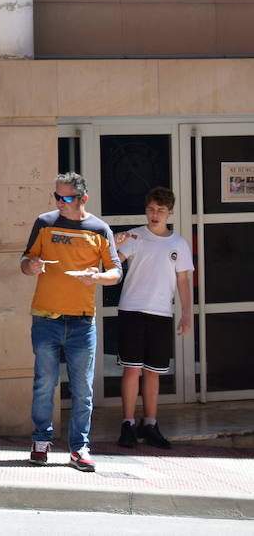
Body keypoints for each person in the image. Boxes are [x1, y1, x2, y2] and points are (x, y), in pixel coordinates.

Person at [20, 171, 121, 472]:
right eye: (56, 196)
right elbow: (24, 261)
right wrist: (32, 266)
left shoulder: (100, 230)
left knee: (83, 389)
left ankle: (79, 448)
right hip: (46, 319)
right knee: (44, 383)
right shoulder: (45, 223)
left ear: (83, 199)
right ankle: (41, 441)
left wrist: (97, 277)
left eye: (65, 198)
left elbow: (116, 273)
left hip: (82, 322)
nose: (59, 203)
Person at [114, 186, 193, 451]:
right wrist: (113, 248)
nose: (155, 215)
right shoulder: (135, 236)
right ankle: (127, 424)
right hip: (132, 309)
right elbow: (113, 264)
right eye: (151, 209)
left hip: (161, 312)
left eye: (160, 210)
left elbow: (183, 280)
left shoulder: (178, 243)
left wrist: (187, 313)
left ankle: (150, 423)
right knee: (132, 369)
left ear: (170, 212)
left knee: (153, 372)